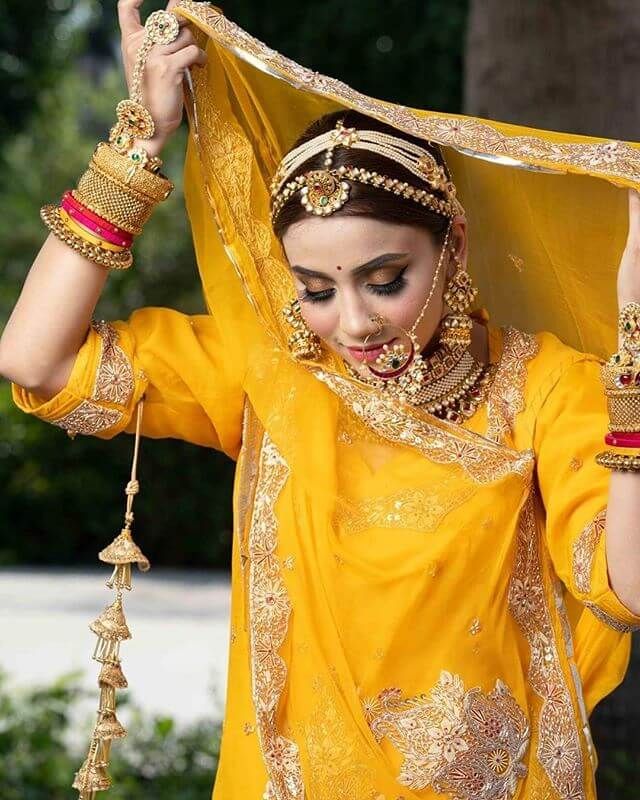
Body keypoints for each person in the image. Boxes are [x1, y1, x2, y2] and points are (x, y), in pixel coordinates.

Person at [1, 2, 639, 799]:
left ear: (457, 246)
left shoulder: (543, 388)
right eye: (315, 290)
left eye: (386, 281)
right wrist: (137, 142)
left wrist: (634, 353)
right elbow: (38, 361)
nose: (355, 323)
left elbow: (629, 585)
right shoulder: (277, 373)